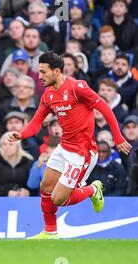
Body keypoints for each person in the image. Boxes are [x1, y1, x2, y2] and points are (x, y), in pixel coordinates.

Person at [8, 51, 131, 239]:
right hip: (64, 147)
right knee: (45, 187)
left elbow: (104, 108)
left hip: (82, 153)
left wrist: (118, 137)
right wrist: (21, 134)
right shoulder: (48, 94)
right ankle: (50, 232)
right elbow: (36, 121)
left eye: (43, 72)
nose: (40, 76)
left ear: (56, 71)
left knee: (59, 199)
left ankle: (93, 189)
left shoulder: (77, 87)